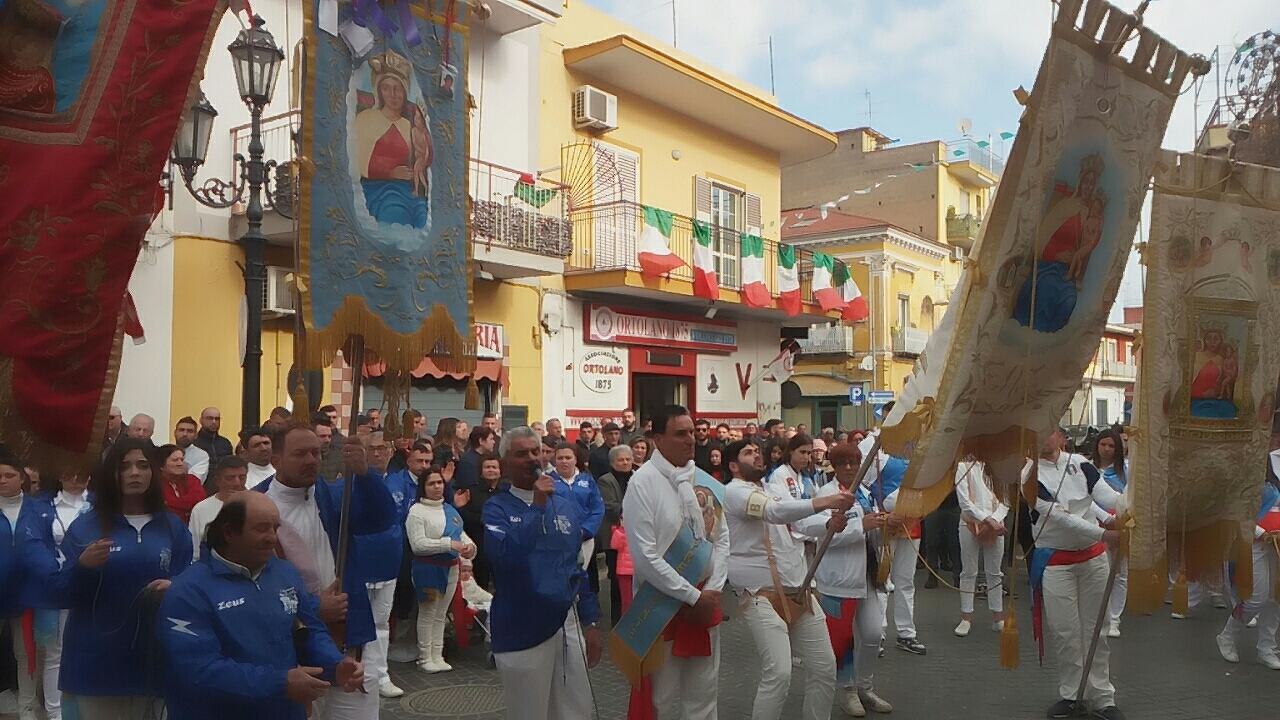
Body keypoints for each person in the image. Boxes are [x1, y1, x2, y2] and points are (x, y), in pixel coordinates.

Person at [160, 493, 364, 720]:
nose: (272, 537)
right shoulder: (188, 591)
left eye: (275, 528)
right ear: (229, 532)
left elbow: (310, 632)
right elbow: (198, 669)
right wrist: (279, 682)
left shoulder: (285, 573)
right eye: (261, 529)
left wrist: (335, 664)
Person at [254, 427, 395, 720]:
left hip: (348, 639)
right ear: (276, 459)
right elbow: (248, 582)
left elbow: (381, 519)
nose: (311, 460)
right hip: (291, 649)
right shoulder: (255, 506)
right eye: (300, 454)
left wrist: (365, 474)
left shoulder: (333, 496)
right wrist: (315, 608)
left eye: (316, 453)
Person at [54, 437, 194, 720]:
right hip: (97, 660)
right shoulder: (86, 527)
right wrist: (81, 566)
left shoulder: (172, 527)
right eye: (124, 466)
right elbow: (58, 592)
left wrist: (177, 588)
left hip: (155, 657)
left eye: (143, 465)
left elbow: (191, 586)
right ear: (111, 474)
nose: (134, 473)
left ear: (154, 472)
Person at [721, 439, 854, 720]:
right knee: (779, 673)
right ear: (733, 466)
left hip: (798, 588)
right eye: (748, 453)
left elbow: (799, 523)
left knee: (824, 667)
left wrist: (827, 524)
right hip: (760, 595)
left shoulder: (771, 489)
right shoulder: (734, 492)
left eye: (758, 451)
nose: (757, 455)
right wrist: (827, 501)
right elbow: (774, 513)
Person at [485, 427, 602, 720]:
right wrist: (536, 509)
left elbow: (576, 565)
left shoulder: (563, 506)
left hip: (566, 621)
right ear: (505, 463)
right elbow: (505, 557)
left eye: (535, 452)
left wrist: (591, 621)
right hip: (522, 626)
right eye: (521, 454)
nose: (530, 459)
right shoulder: (495, 507)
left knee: (576, 709)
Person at [622, 406, 729, 720]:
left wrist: (713, 589)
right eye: (680, 433)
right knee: (661, 699)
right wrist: (693, 596)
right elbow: (645, 557)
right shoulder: (642, 483)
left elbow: (721, 539)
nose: (691, 440)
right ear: (658, 439)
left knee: (705, 694)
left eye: (692, 432)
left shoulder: (705, 481)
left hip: (706, 602)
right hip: (661, 606)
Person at [1027, 427, 1123, 720]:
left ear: (1060, 436)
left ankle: (1103, 698)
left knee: (1098, 629)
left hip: (1093, 559)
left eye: (1048, 431)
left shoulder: (1081, 464)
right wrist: (1103, 534)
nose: (1043, 439)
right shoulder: (1028, 478)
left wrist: (1130, 501)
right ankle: (1072, 695)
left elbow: (1105, 495)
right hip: (1056, 560)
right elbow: (1061, 517)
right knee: (1066, 632)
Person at [800, 442, 893, 717]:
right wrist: (860, 527)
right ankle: (848, 691)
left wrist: (886, 524)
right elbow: (822, 536)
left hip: (868, 575)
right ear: (834, 466)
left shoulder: (864, 493)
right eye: (844, 464)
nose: (850, 468)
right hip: (838, 578)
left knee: (874, 633)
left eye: (854, 462)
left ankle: (865, 686)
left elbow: (871, 531)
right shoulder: (826, 495)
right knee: (842, 640)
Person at [353, 432, 419, 698]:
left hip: (389, 560)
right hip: (360, 562)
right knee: (358, 623)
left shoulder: (398, 482)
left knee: (381, 623)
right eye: (372, 448)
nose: (377, 453)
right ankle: (359, 674)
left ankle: (380, 675)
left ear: (392, 451)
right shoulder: (351, 485)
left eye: (382, 448)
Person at [858, 423, 927, 656]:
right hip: (884, 524)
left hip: (912, 523)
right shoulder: (873, 443)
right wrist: (884, 515)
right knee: (881, 580)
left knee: (906, 581)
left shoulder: (922, 445)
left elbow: (930, 488)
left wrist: (910, 513)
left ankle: (906, 633)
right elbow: (863, 485)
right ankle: (878, 633)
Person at [0, 447, 58, 720]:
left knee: (26, 655)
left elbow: (48, 549)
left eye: (8, 475)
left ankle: (27, 710)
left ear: (22, 478)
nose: (2, 480)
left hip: (27, 593)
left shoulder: (40, 510)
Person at [1216, 446, 1280, 671]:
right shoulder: (1240, 485)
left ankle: (1266, 648)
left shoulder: (1273, 480)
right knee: (1256, 599)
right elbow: (1235, 515)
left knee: (1275, 599)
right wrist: (1261, 533)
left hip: (1278, 546)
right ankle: (1227, 635)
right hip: (1251, 545)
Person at [406, 467, 477, 673]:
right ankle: (424, 657)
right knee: (428, 613)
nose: (437, 487)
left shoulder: (450, 510)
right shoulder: (416, 512)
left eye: (439, 482)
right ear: (423, 487)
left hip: (451, 568)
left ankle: (437, 655)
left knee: (441, 614)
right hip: (427, 568)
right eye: (431, 483)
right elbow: (418, 544)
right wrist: (448, 545)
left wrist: (470, 549)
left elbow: (461, 536)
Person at [354, 50, 431, 228]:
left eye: (397, 89)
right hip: (379, 190)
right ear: (379, 91)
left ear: (405, 92)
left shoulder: (408, 125)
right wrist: (389, 173)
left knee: (422, 216)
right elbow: (359, 162)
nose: (393, 95)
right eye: (386, 88)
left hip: (407, 190)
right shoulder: (366, 119)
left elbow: (421, 158)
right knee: (395, 214)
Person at [41, 467, 92, 720]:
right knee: (55, 653)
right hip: (58, 583)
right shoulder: (44, 506)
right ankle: (54, 712)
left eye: (81, 474)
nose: (75, 478)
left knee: (89, 646)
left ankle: (88, 708)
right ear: (59, 475)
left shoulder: (99, 505)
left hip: (92, 584)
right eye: (70, 474)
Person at [954, 459, 1008, 637]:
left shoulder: (1000, 467)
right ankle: (966, 617)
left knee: (994, 572)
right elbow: (964, 502)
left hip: (995, 524)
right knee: (969, 571)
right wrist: (987, 519)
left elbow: (1006, 499)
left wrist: (994, 520)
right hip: (970, 523)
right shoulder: (963, 467)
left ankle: (998, 617)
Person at [1091, 427, 1129, 637]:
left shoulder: (1127, 470)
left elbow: (1130, 498)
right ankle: (1100, 615)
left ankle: (1115, 618)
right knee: (1099, 572)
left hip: (1119, 525)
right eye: (1103, 444)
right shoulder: (1086, 467)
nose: (1106, 449)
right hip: (1092, 526)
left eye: (1111, 445)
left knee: (1120, 573)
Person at [596, 445, 634, 628]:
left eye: (628, 459)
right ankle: (617, 622)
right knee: (616, 581)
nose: (625, 462)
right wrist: (638, 508)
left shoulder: (638, 476)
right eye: (621, 459)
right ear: (612, 462)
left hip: (635, 537)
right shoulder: (606, 481)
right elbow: (611, 506)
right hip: (616, 538)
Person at [455, 452, 504, 590]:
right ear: (480, 471)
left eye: (494, 467)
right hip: (477, 546)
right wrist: (483, 520)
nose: (491, 470)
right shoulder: (470, 491)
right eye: (487, 467)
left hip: (500, 549)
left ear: (500, 471)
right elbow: (463, 516)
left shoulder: (505, 493)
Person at [189, 456, 249, 561]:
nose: (237, 483)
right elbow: (195, 551)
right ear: (217, 480)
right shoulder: (201, 509)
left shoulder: (256, 505)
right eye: (230, 478)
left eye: (242, 477)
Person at [157, 444, 207, 525]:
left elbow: (199, 500)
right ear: (161, 465)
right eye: (175, 460)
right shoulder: (156, 483)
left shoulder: (192, 479)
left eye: (181, 460)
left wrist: (170, 503)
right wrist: (187, 511)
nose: (180, 463)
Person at [174, 416, 210, 483]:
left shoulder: (201, 455)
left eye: (189, 431)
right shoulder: (165, 452)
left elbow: (195, 480)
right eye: (181, 430)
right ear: (175, 433)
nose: (185, 434)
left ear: (195, 435)